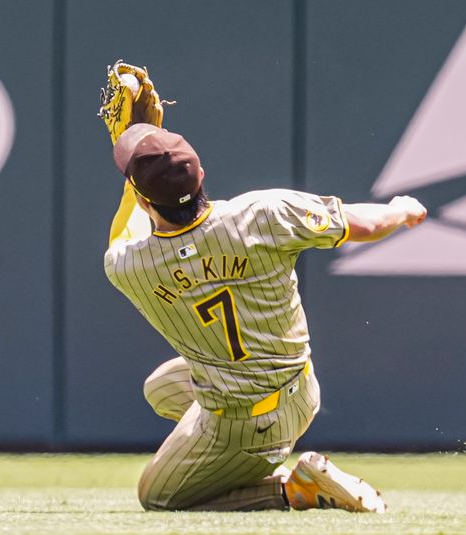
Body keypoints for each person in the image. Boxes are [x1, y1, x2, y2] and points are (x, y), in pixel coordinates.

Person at [104, 123, 427, 512]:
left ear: (142, 200)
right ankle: (245, 459)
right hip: (301, 388)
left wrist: (132, 183)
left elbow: (128, 232)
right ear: (202, 173)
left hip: (244, 421)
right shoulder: (264, 213)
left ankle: (292, 488)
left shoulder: (129, 266)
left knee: (157, 497)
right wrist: (400, 209)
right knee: (161, 387)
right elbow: (366, 224)